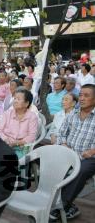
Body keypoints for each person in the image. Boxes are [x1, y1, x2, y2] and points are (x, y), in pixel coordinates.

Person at [50, 84, 95, 220]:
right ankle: (63, 205)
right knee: (50, 165)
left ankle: (60, 206)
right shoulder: (72, 114)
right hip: (69, 153)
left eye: (86, 96)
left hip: (89, 157)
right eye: (80, 95)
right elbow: (62, 133)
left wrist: (93, 151)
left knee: (80, 171)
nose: (81, 98)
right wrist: (64, 144)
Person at [0, 88, 38, 157]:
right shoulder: (7, 114)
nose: (15, 101)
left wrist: (16, 143)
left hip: (21, 147)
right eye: (14, 98)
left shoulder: (32, 117)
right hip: (4, 143)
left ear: (26, 103)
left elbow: (32, 136)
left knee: (7, 160)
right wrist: (6, 140)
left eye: (18, 99)